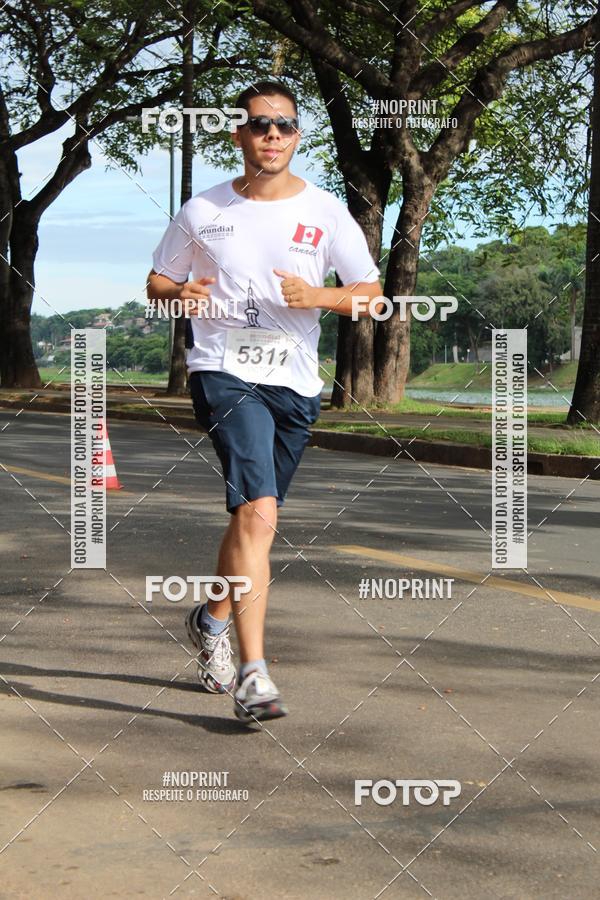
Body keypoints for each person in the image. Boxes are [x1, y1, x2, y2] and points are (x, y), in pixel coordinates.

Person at [147, 80, 382, 725]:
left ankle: (212, 618)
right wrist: (177, 293)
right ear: (239, 134)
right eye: (259, 124)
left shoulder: (327, 211)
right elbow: (157, 280)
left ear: (297, 136)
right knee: (261, 511)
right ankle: (254, 674)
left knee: (254, 521)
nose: (272, 135)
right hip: (222, 368)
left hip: (295, 382)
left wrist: (320, 297)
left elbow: (371, 295)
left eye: (284, 125)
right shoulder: (202, 210)